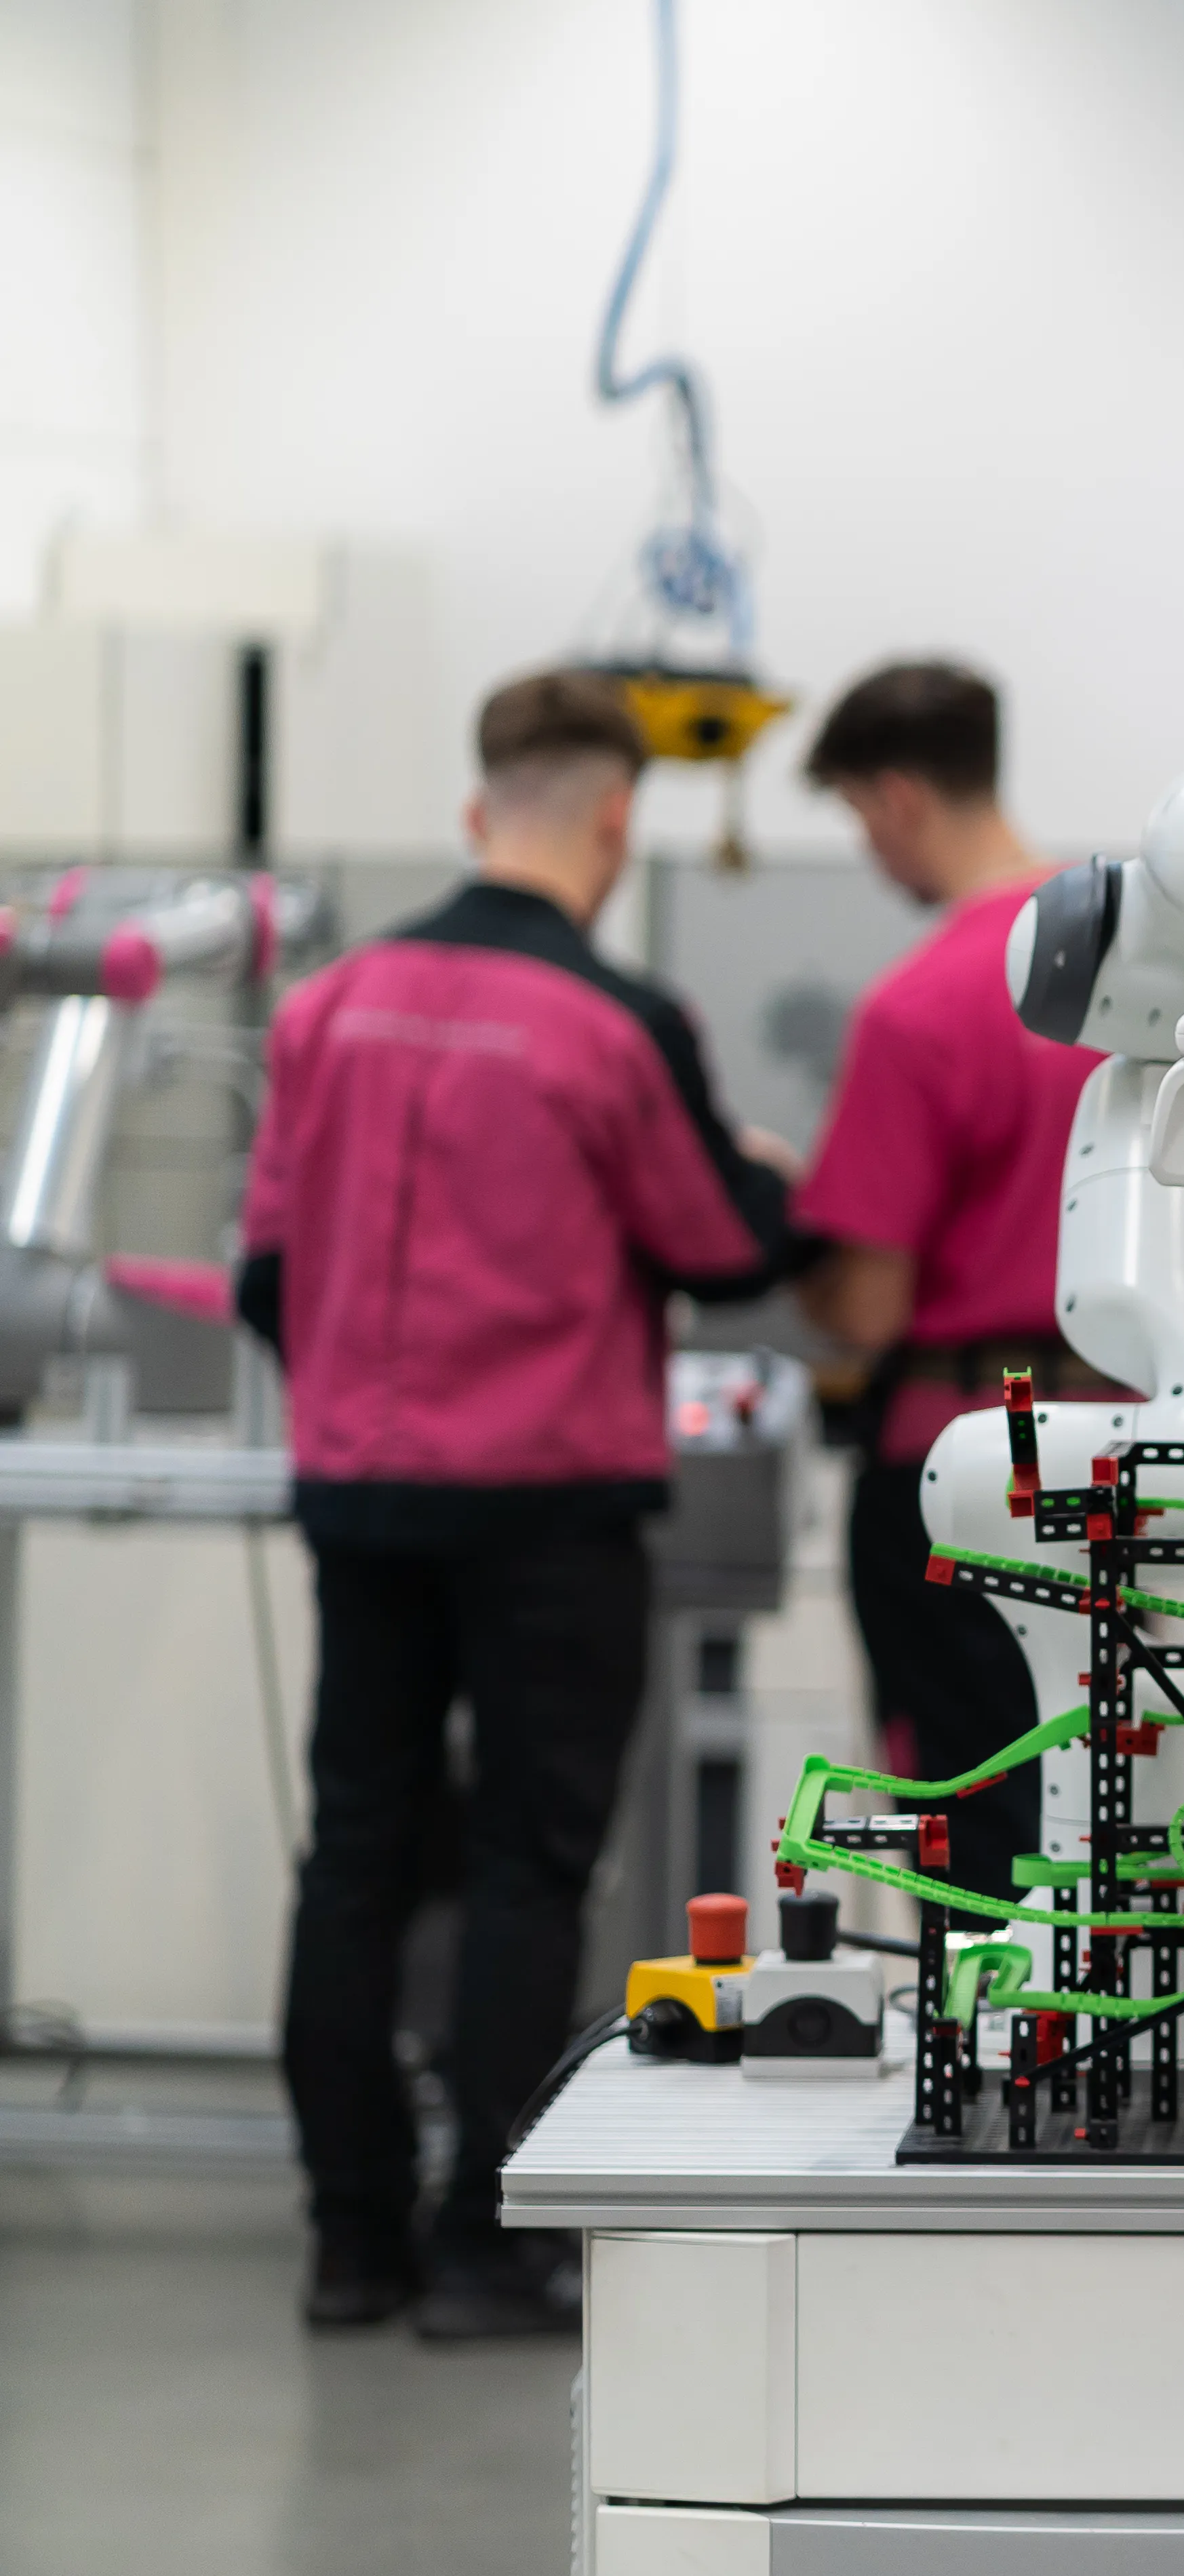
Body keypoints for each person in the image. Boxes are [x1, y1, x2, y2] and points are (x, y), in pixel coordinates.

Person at [239, 668, 798, 2336]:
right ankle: (485, 2245)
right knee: (523, 1867)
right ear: (619, 820)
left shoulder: (326, 1006)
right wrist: (760, 1166)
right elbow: (725, 1247)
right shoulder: (617, 1024)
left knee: (351, 1854)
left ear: (482, 806)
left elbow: (267, 1266)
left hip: (361, 1494)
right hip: (548, 1504)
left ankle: (350, 2242)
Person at [789, 661, 1101, 1905]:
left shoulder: (919, 1007)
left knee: (968, 1821)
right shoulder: (1149, 983)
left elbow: (866, 1307)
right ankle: (1090, 2060)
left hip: (956, 1475)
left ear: (899, 797)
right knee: (1103, 1792)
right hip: (1122, 1458)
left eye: (859, 816)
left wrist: (789, 1240)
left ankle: (978, 2078)